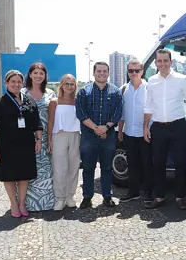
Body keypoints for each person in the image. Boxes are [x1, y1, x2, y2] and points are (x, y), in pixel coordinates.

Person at [143, 49, 186, 210]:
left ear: (171, 62)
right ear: (156, 63)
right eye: (159, 61)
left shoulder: (181, 79)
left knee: (180, 163)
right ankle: (159, 197)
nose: (162, 64)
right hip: (158, 127)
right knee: (158, 163)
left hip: (178, 125)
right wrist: (146, 126)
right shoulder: (151, 81)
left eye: (165, 61)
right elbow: (149, 105)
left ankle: (180, 197)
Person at [0, 70, 42, 218]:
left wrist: (39, 140)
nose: (16, 84)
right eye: (13, 82)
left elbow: (36, 123)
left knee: (24, 175)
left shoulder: (29, 100)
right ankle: (13, 203)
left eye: (19, 82)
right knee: (9, 175)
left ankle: (22, 203)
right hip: (6, 144)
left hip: (26, 143)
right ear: (6, 83)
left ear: (22, 83)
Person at [75, 61, 123, 208]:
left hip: (108, 136)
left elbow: (118, 112)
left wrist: (106, 128)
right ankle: (87, 196)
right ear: (94, 73)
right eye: (99, 71)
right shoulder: (84, 91)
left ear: (108, 73)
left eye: (105, 71)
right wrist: (97, 128)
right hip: (89, 135)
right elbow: (81, 113)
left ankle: (107, 196)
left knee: (107, 167)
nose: (102, 74)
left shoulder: (116, 92)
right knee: (88, 167)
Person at [21, 62, 57, 211]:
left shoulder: (50, 93)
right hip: (26, 137)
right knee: (26, 169)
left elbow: (53, 117)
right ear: (30, 75)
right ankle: (25, 203)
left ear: (45, 76)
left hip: (45, 136)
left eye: (41, 73)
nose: (38, 76)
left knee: (46, 169)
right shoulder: (22, 93)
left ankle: (46, 202)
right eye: (35, 73)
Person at [118, 59, 153, 202]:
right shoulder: (124, 89)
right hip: (129, 132)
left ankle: (149, 192)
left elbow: (152, 109)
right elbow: (122, 112)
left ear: (142, 71)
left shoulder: (149, 88)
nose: (134, 73)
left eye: (136, 70)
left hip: (145, 132)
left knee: (147, 164)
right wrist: (120, 130)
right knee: (132, 163)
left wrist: (147, 128)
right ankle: (133, 191)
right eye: (130, 70)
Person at [47, 74, 80, 211]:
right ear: (61, 85)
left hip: (75, 135)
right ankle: (60, 198)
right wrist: (49, 140)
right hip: (58, 135)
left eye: (72, 84)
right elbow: (50, 122)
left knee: (74, 167)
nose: (69, 86)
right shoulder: (54, 102)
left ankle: (70, 196)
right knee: (60, 168)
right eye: (66, 83)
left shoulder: (78, 101)